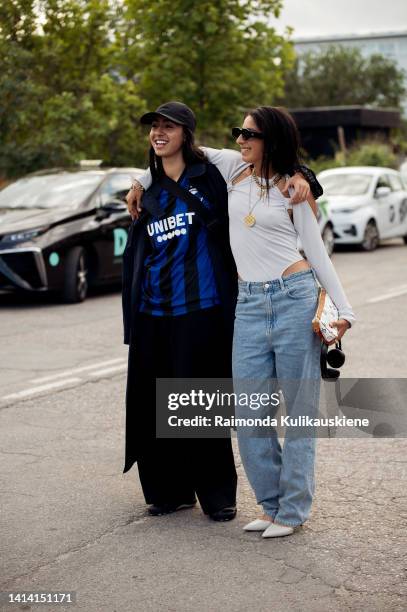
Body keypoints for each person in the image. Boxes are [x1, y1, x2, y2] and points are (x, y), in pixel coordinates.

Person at [129, 104, 355, 537]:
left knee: (300, 415)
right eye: (238, 133)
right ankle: (269, 506)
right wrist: (139, 180)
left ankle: (292, 510)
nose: (240, 140)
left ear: (271, 139)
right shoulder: (233, 170)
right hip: (248, 303)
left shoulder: (294, 192)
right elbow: (183, 152)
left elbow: (317, 253)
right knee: (251, 416)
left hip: (294, 296)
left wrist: (344, 312)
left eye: (249, 134)